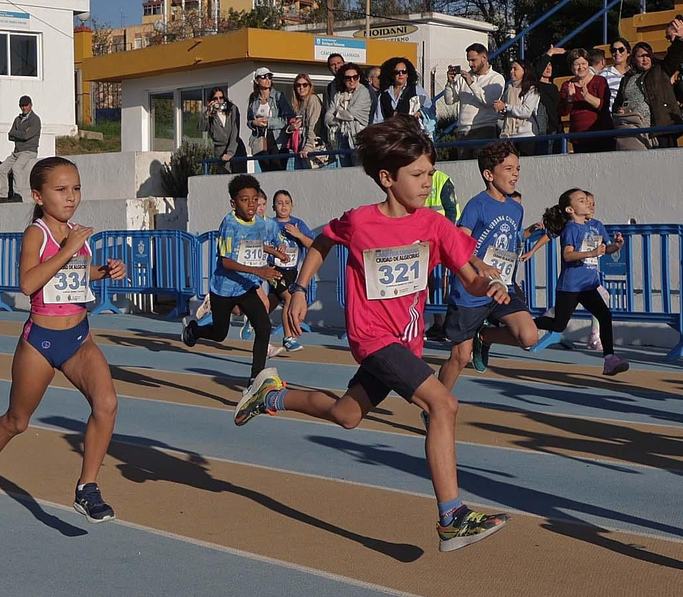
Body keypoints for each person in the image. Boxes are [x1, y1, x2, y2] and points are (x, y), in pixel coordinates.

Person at [256, 116, 513, 552]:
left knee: (347, 415)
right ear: (387, 178)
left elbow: (468, 277)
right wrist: (299, 289)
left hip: (406, 341)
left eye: (430, 173)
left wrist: (487, 284)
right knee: (443, 403)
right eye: (417, 175)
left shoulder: (434, 225)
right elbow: (320, 243)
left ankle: (272, 395)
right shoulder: (359, 222)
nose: (427, 182)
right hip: (373, 339)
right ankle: (452, 516)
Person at [0, 157, 126, 523]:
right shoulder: (37, 233)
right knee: (17, 421)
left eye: (76, 189)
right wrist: (68, 250)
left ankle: (87, 487)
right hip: (41, 342)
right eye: (61, 190)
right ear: (37, 195)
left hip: (79, 338)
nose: (71, 197)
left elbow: (74, 278)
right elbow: (29, 283)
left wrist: (104, 270)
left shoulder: (76, 232)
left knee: (107, 403)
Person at [435, 143, 542, 384]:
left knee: (529, 336)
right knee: (460, 358)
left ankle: (484, 337)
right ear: (489, 175)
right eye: (508, 168)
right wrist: (477, 263)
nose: (515, 174)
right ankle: (436, 405)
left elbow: (507, 242)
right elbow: (456, 243)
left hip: (502, 286)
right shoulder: (477, 205)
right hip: (472, 289)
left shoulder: (516, 209)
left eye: (517, 168)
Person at [180, 174, 289, 376]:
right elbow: (226, 261)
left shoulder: (259, 223)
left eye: (254, 199)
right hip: (224, 289)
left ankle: (255, 380)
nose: (250, 205)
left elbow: (254, 246)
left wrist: (275, 253)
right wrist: (259, 271)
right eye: (244, 199)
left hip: (245, 287)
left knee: (263, 327)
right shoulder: (229, 225)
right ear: (233, 202)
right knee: (219, 334)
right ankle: (194, 330)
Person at [533, 188, 629, 377]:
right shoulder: (571, 229)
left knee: (605, 316)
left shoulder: (596, 226)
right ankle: (524, 323)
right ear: (570, 209)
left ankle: (609, 359)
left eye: (588, 200)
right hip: (570, 286)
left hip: (589, 285)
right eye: (582, 200)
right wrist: (591, 253)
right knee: (559, 325)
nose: (588, 203)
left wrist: (616, 246)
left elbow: (605, 248)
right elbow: (568, 255)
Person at [269, 189, 313, 354]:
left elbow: (312, 245)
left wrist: (298, 235)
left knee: (273, 299)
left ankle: (254, 318)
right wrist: (275, 249)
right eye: (279, 203)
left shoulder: (298, 224)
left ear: (292, 206)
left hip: (292, 271)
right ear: (274, 207)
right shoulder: (270, 224)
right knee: (289, 297)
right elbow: (262, 244)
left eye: (287, 203)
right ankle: (288, 338)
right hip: (274, 269)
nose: (283, 206)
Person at [441, 43, 505, 141]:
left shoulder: (496, 78)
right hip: (462, 129)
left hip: (484, 128)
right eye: (469, 60)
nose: (470, 64)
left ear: (484, 58)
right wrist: (450, 83)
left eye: (473, 60)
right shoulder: (464, 78)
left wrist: (471, 83)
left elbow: (488, 101)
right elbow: (449, 101)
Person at [560, 48, 614, 152]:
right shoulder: (567, 85)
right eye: (576, 64)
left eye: (583, 63)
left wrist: (588, 97)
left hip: (602, 136)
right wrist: (570, 99)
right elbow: (562, 111)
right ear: (571, 66)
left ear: (588, 64)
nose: (581, 67)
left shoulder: (599, 81)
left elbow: (604, 106)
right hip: (579, 139)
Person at [369, 56, 435, 135]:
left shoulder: (416, 90)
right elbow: (378, 120)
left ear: (408, 74)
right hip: (391, 137)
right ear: (392, 75)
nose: (401, 74)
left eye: (404, 71)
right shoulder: (384, 95)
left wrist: (420, 113)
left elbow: (430, 108)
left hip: (410, 136)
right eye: (397, 72)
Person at [607, 40, 651, 149]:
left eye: (621, 49)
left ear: (628, 53)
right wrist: (618, 109)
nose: (617, 53)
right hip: (629, 126)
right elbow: (616, 103)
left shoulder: (655, 72)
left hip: (653, 126)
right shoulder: (624, 78)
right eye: (613, 50)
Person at [246, 68, 292, 172]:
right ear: (257, 81)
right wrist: (254, 123)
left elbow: (288, 118)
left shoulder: (278, 96)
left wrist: (269, 122)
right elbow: (249, 120)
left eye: (269, 77)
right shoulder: (253, 98)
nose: (267, 79)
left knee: (278, 170)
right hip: (260, 139)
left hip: (277, 140)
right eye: (263, 77)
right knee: (265, 171)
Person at [0, 96, 42, 200]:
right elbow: (10, 135)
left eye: (26, 105)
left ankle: (18, 194)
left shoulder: (35, 119)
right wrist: (20, 134)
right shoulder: (17, 120)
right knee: (1, 169)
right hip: (16, 152)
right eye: (22, 106)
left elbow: (27, 135)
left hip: (29, 151)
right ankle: (3, 195)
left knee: (16, 168)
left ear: (30, 105)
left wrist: (16, 134)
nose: (24, 108)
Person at [325, 64, 371, 163]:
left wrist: (337, 113)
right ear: (343, 79)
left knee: (358, 170)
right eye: (348, 78)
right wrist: (342, 117)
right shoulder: (338, 95)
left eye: (355, 77)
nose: (352, 80)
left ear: (359, 78)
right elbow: (327, 118)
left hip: (357, 138)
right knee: (344, 171)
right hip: (341, 137)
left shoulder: (363, 92)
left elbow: (351, 114)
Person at [493, 58, 542, 143]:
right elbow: (502, 114)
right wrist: (501, 110)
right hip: (508, 135)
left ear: (524, 71)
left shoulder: (532, 90)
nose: (512, 71)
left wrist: (505, 106)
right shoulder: (508, 89)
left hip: (525, 135)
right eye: (511, 69)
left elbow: (526, 111)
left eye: (515, 69)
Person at [287, 74, 329, 168]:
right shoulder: (299, 104)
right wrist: (291, 128)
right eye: (298, 85)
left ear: (310, 86)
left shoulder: (313, 99)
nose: (301, 88)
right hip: (300, 147)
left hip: (313, 149)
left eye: (305, 85)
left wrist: (308, 147)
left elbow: (313, 126)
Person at [205, 87, 246, 173]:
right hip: (220, 151)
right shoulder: (211, 114)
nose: (219, 100)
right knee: (226, 178)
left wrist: (230, 152)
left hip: (236, 148)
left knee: (240, 176)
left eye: (221, 98)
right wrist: (207, 114)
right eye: (215, 98)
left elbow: (235, 131)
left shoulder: (232, 109)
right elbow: (202, 128)